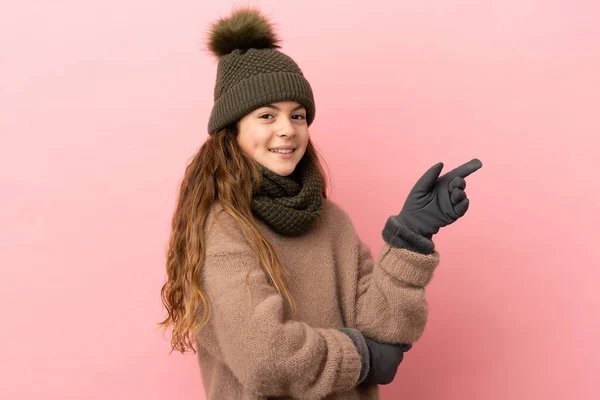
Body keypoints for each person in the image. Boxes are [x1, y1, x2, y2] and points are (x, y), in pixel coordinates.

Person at [159, 7, 483, 400]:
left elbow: (385, 329)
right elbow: (265, 357)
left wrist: (411, 236)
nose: (287, 130)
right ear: (233, 130)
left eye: (298, 115)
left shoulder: (330, 221)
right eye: (266, 115)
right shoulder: (222, 226)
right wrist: (361, 357)